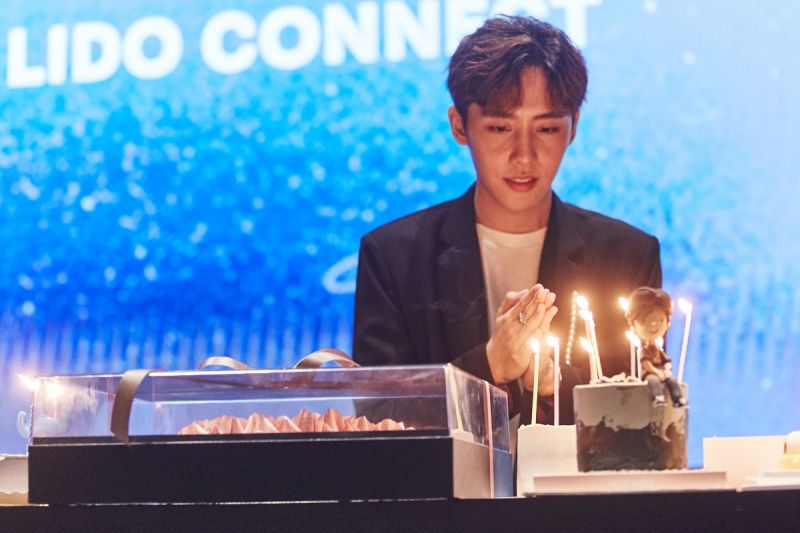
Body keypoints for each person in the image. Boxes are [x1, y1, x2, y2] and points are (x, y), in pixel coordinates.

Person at [353, 15, 661, 425]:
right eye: (500, 127)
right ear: (460, 126)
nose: (524, 155)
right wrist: (490, 365)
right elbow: (377, 416)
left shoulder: (625, 256)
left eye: (546, 129)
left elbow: (644, 418)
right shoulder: (394, 257)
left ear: (573, 128)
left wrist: (552, 382)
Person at [625, 287, 687, 408]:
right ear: (633, 325)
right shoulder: (644, 350)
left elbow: (666, 361)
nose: (654, 325)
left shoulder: (659, 348)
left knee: (672, 380)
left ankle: (678, 398)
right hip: (650, 373)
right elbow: (647, 365)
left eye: (661, 320)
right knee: (653, 380)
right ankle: (658, 397)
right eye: (644, 321)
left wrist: (667, 370)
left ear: (668, 323)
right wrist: (658, 372)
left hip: (661, 372)